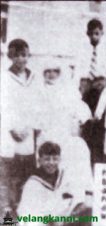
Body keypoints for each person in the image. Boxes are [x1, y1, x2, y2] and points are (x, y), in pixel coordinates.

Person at [0, 39, 43, 212]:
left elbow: (38, 104)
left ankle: (23, 209)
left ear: (28, 56)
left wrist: (31, 127)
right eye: (16, 55)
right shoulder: (4, 77)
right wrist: (12, 128)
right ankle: (8, 211)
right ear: (10, 57)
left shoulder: (34, 78)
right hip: (10, 131)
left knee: (27, 171)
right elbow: (2, 104)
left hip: (28, 131)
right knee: (10, 173)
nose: (20, 59)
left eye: (23, 55)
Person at [17, 142, 92, 225]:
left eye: (55, 159)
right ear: (39, 161)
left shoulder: (65, 176)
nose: (51, 163)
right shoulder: (32, 184)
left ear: (60, 159)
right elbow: (28, 215)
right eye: (47, 159)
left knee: (88, 210)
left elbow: (77, 198)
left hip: (63, 220)